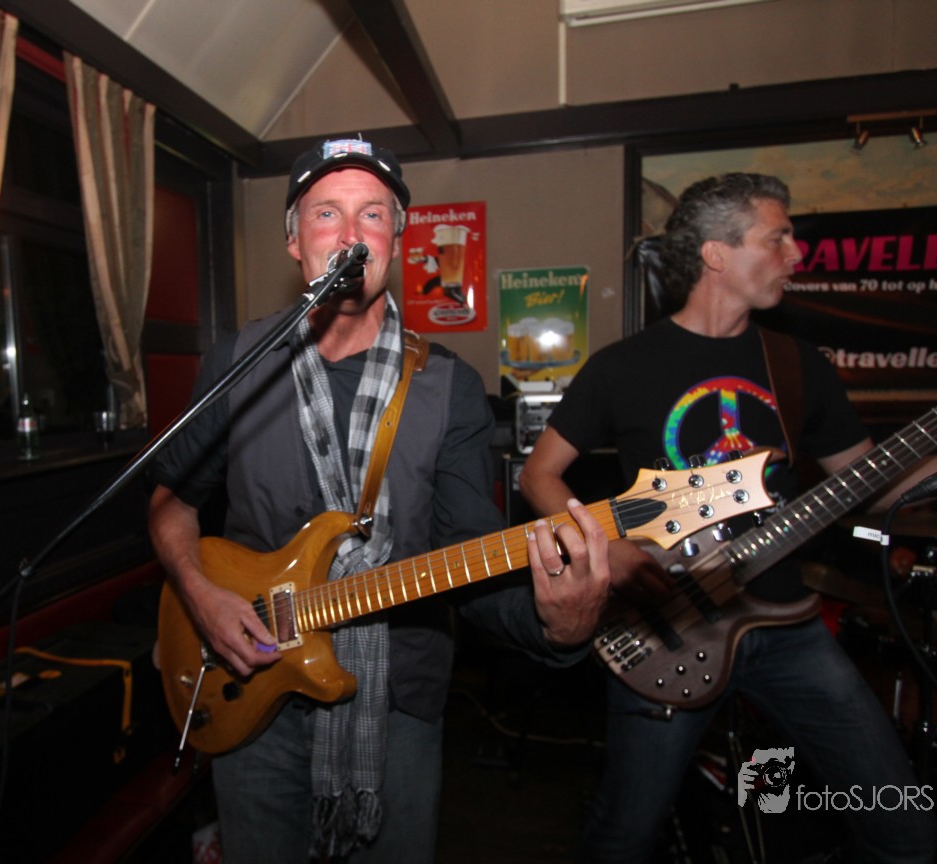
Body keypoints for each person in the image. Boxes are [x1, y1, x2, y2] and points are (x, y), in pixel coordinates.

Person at [147, 137, 610, 864]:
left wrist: (559, 628)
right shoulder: (238, 363)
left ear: (395, 240)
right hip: (248, 693)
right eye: (326, 213)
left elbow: (473, 565)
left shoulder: (450, 387)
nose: (350, 234)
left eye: (372, 215)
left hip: (395, 702)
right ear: (295, 241)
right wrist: (199, 594)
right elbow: (169, 504)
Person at [519, 172, 937, 863]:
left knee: (903, 825)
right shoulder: (622, 367)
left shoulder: (796, 364)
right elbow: (538, 476)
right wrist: (612, 550)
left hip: (789, 626)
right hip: (669, 623)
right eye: (776, 238)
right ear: (716, 253)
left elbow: (871, 486)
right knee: (625, 837)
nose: (795, 253)